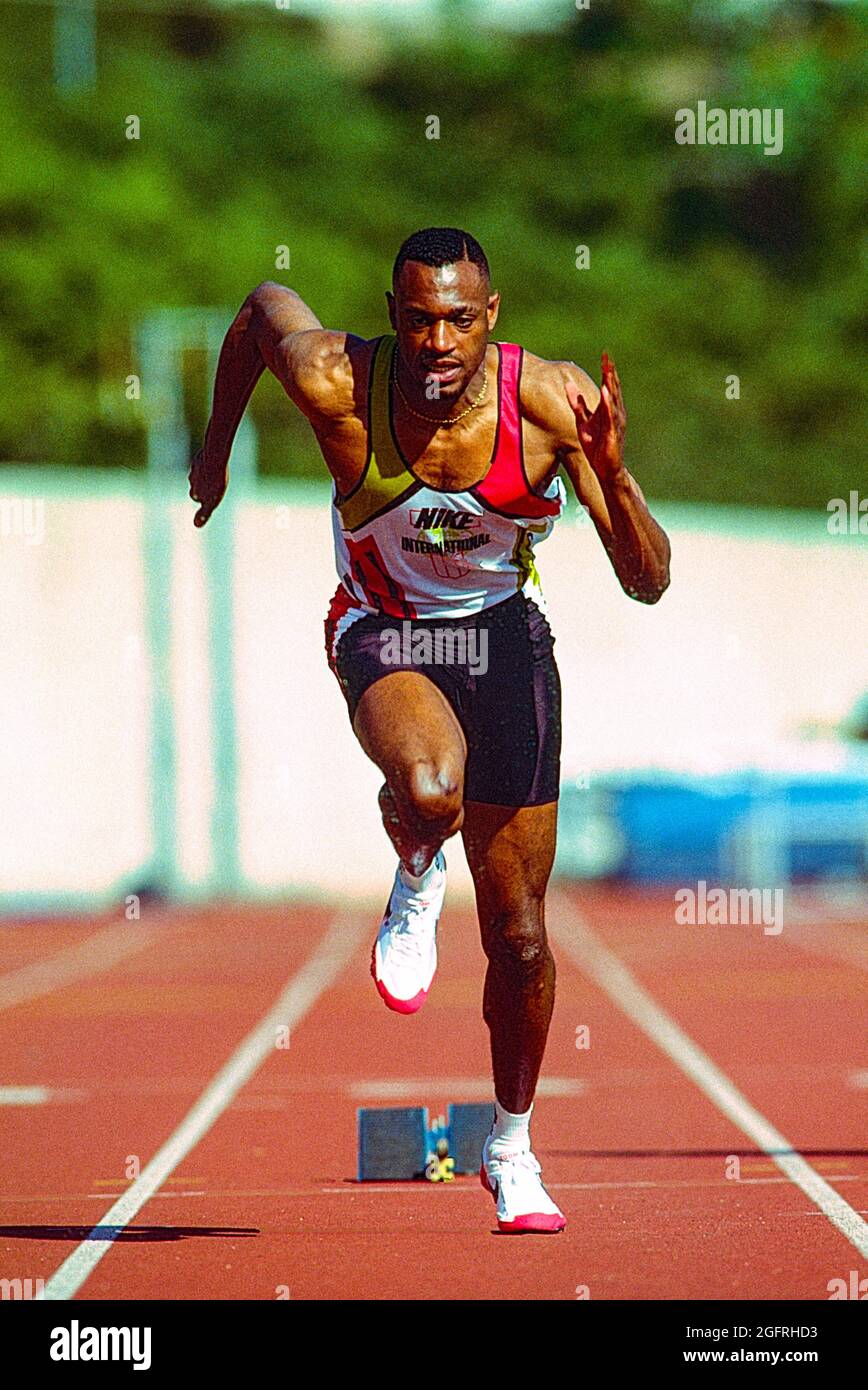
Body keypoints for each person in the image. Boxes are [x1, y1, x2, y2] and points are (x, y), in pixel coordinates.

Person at [189, 227, 671, 1233]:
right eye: (418, 320)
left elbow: (647, 582)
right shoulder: (333, 378)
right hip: (384, 628)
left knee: (522, 935)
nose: (438, 342)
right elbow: (257, 305)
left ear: (489, 317)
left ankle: (510, 1147)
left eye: (460, 319)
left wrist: (615, 481)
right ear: (393, 314)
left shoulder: (550, 404)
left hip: (501, 645)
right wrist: (212, 446)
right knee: (431, 785)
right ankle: (416, 863)